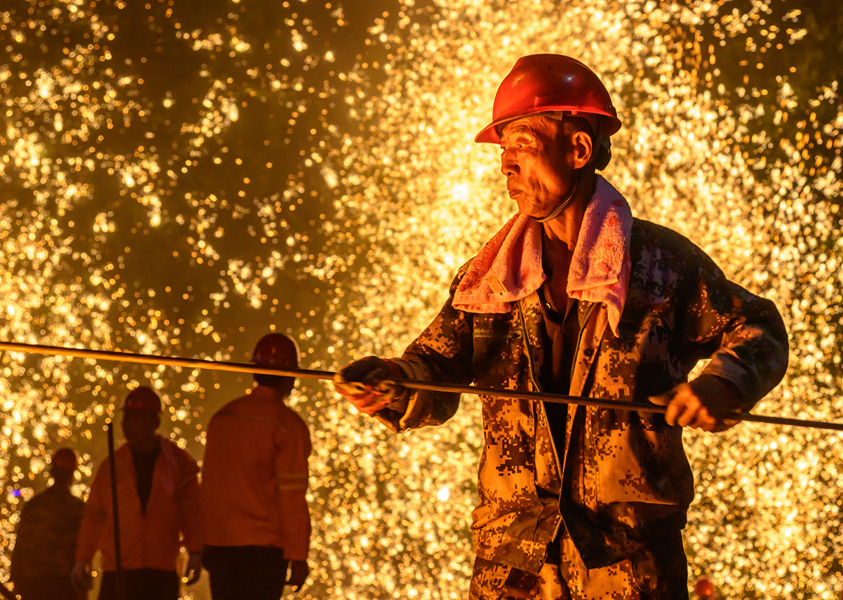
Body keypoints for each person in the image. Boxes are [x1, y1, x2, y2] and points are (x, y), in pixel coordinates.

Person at [334, 54, 789, 599]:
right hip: (514, 563)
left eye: (522, 145)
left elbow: (759, 327)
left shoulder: (660, 267)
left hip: (626, 561)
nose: (506, 165)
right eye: (503, 152)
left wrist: (725, 381)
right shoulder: (489, 279)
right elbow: (433, 370)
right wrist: (389, 381)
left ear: (578, 148)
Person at [200, 332, 312, 600]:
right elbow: (292, 497)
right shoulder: (287, 425)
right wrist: (298, 556)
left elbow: (208, 487)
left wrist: (201, 542)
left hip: (220, 545)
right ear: (290, 374)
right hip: (263, 551)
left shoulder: (222, 418)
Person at [71, 386, 204, 600]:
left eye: (136, 418)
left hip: (159, 571)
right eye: (127, 417)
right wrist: (82, 558)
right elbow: (95, 516)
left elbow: (191, 511)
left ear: (155, 422)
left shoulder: (178, 464)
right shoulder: (112, 467)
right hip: (120, 569)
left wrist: (195, 551)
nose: (127, 425)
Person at [10, 447, 85, 600]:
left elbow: (20, 546)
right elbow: (82, 549)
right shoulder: (77, 509)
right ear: (72, 474)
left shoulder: (34, 505)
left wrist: (16, 578)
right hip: (63, 585)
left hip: (32, 584)